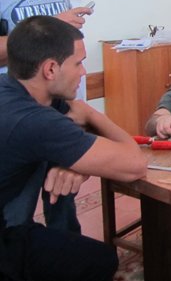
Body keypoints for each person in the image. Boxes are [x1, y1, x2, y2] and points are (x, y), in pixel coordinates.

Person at [0, 16, 147, 281]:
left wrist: (72, 163)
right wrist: (91, 112)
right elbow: (135, 163)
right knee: (100, 259)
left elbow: (67, 127)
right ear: (51, 69)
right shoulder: (35, 121)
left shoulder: (12, 91)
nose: (83, 72)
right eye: (78, 63)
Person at [0, 0, 95, 234]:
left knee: (63, 187)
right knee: (16, 205)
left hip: (55, 99)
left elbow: (60, 38)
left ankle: (65, 250)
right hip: (15, 108)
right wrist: (51, 23)